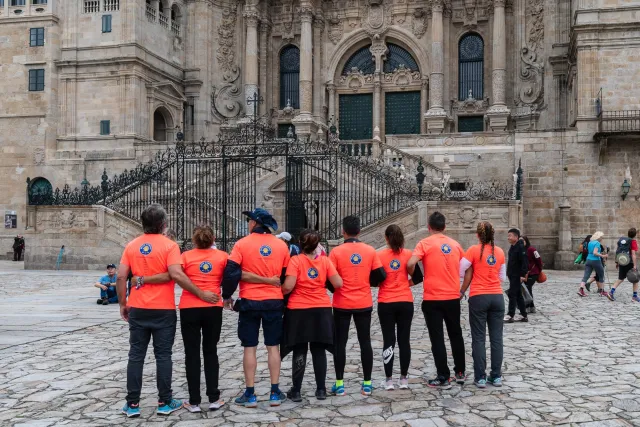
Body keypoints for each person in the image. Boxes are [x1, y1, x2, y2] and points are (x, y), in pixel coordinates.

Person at [116, 204, 219, 418]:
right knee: (163, 355)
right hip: (163, 309)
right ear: (163, 224)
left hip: (138, 307)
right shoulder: (170, 246)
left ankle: (132, 403)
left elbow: (120, 277)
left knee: (136, 355)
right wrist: (200, 293)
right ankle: (164, 401)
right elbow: (177, 275)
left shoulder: (132, 246)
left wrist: (123, 303)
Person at [133, 225, 228, 413]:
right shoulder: (223, 257)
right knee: (210, 352)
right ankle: (214, 397)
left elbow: (173, 276)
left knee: (191, 353)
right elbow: (230, 277)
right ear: (213, 239)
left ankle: (194, 401)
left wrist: (141, 279)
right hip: (213, 306)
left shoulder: (185, 257)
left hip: (189, 307)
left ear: (194, 240)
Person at [221, 208, 290, 408]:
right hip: (273, 301)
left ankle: (250, 393)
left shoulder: (242, 244)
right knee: (272, 347)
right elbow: (285, 275)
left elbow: (231, 272)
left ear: (253, 223)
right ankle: (275, 392)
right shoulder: (281, 246)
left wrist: (227, 296)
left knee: (249, 347)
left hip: (249, 301)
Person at [281, 229, 343, 402]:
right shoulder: (325, 261)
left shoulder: (296, 261)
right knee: (319, 349)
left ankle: (297, 390)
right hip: (321, 309)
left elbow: (288, 286)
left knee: (299, 349)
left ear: (300, 244)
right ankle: (321, 389)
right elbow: (338, 283)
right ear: (317, 245)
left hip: (299, 310)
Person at [407, 211, 466, 389]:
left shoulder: (424, 243)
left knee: (437, 337)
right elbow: (465, 266)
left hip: (433, 297)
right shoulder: (455, 245)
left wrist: (414, 277)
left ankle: (443, 375)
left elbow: (411, 263)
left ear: (429, 227)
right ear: (444, 227)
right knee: (456, 335)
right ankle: (460, 372)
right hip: (452, 296)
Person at [329, 215, 386, 396]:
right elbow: (381, 275)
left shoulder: (336, 252)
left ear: (343, 231)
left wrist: (335, 289)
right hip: (363, 301)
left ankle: (339, 383)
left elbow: (328, 278)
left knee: (340, 343)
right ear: (359, 231)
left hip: (341, 302)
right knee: (365, 341)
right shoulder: (370, 250)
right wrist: (367, 282)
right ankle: (367, 383)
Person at [459, 221, 506, 389]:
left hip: (479, 296)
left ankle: (480, 377)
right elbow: (502, 277)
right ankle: (496, 375)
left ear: (478, 235)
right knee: (497, 338)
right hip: (497, 297)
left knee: (478, 338)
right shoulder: (499, 252)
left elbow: (460, 269)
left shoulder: (473, 250)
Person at [377, 225, 423, 391]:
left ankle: (389, 379)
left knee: (388, 340)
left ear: (386, 238)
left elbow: (374, 280)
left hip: (386, 302)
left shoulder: (380, 255)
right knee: (404, 340)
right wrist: (405, 284)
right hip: (405, 301)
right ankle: (403, 378)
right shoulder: (408, 254)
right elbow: (418, 277)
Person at [607, 228, 639, 302]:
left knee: (620, 278)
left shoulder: (622, 241)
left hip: (622, 261)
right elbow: (633, 254)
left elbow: (618, 251)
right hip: (630, 262)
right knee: (635, 278)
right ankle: (634, 296)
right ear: (635, 235)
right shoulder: (633, 241)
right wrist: (634, 265)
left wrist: (617, 262)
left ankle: (611, 292)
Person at [504, 228, 529, 323]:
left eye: (510, 235)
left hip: (517, 275)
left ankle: (510, 315)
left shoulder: (520, 247)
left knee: (512, 294)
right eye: (508, 235)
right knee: (518, 295)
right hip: (512, 275)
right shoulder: (513, 246)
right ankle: (524, 315)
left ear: (516, 237)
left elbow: (525, 262)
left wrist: (523, 274)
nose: (508, 237)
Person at [577, 231, 608, 297]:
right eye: (601, 237)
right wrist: (603, 256)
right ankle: (602, 291)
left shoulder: (590, 242)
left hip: (588, 260)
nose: (602, 238)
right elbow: (595, 253)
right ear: (598, 237)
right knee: (601, 275)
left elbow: (590, 251)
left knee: (586, 275)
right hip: (596, 260)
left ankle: (581, 289)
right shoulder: (597, 243)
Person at [522, 236, 543, 313]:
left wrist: (539, 270)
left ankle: (527, 306)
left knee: (527, 288)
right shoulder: (520, 250)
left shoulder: (532, 249)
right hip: (525, 273)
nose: (521, 242)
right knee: (527, 289)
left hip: (533, 273)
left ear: (526, 241)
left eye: (523, 241)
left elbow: (539, 260)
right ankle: (532, 306)